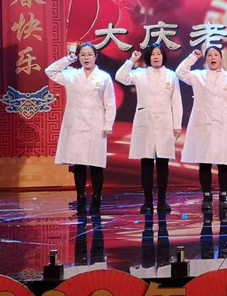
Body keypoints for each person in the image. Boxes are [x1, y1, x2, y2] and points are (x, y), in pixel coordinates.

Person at [46, 43, 116, 214]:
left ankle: (97, 199)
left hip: (96, 126)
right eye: (82, 55)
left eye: (89, 54)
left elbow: (110, 102)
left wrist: (108, 124)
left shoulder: (104, 77)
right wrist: (68, 58)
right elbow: (50, 71)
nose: (86, 58)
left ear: (96, 56)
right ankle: (81, 200)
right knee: (79, 165)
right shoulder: (71, 75)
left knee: (96, 165)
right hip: (76, 125)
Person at [115, 44, 183, 214]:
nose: (156, 57)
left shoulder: (171, 75)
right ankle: (147, 201)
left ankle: (162, 200)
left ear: (163, 56)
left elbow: (176, 102)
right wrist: (132, 60)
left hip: (165, 122)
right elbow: (120, 76)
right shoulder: (139, 74)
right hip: (145, 121)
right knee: (146, 164)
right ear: (148, 58)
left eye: (158, 54)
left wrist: (177, 124)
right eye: (152, 54)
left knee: (163, 164)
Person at [177, 46, 227, 213]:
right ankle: (207, 196)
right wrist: (193, 56)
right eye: (210, 55)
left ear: (221, 58)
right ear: (206, 59)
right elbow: (180, 72)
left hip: (223, 124)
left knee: (224, 161)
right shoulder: (198, 76)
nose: (213, 57)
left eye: (216, 55)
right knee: (204, 161)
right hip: (203, 123)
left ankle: (224, 196)